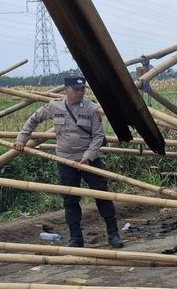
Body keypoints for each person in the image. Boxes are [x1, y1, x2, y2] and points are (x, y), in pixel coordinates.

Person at [13, 76, 123, 248]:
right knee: (70, 200)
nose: (80, 92)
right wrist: (22, 139)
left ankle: (113, 234)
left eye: (82, 89)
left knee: (102, 195)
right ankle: (76, 238)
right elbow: (33, 119)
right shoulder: (54, 106)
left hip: (88, 160)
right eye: (76, 89)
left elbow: (98, 137)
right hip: (65, 160)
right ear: (66, 89)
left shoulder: (92, 109)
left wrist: (88, 156)